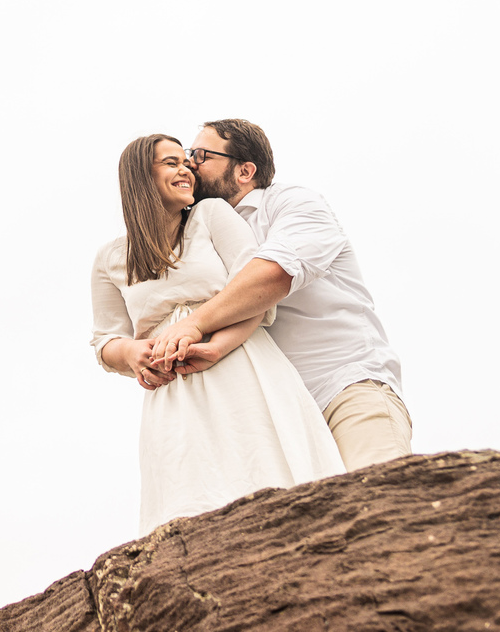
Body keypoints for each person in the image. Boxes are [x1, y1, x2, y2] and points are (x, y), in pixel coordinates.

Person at [91, 134, 344, 536]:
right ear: (140, 176)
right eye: (171, 163)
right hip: (173, 389)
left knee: (262, 467)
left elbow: (254, 294)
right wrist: (132, 354)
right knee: (190, 495)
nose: (186, 169)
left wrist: (215, 347)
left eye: (186, 162)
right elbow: (106, 339)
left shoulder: (211, 215)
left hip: (240, 363)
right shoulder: (110, 258)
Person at [151, 119, 412, 472]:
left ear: (245, 171)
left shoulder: (294, 203)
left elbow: (273, 275)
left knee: (380, 488)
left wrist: (193, 325)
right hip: (275, 414)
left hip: (344, 389)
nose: (190, 165)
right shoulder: (195, 234)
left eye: (200, 155)